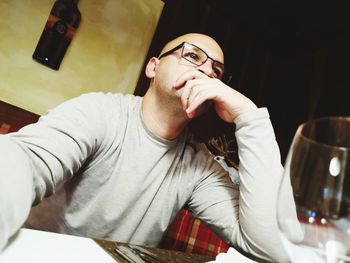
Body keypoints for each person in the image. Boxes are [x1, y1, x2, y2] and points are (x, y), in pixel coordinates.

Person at [0, 33, 300, 262]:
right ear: (153, 67)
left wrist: (248, 116)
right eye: (192, 55)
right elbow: (24, 161)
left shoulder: (199, 166)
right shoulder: (99, 112)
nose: (206, 73)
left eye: (217, 72)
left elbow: (274, 248)